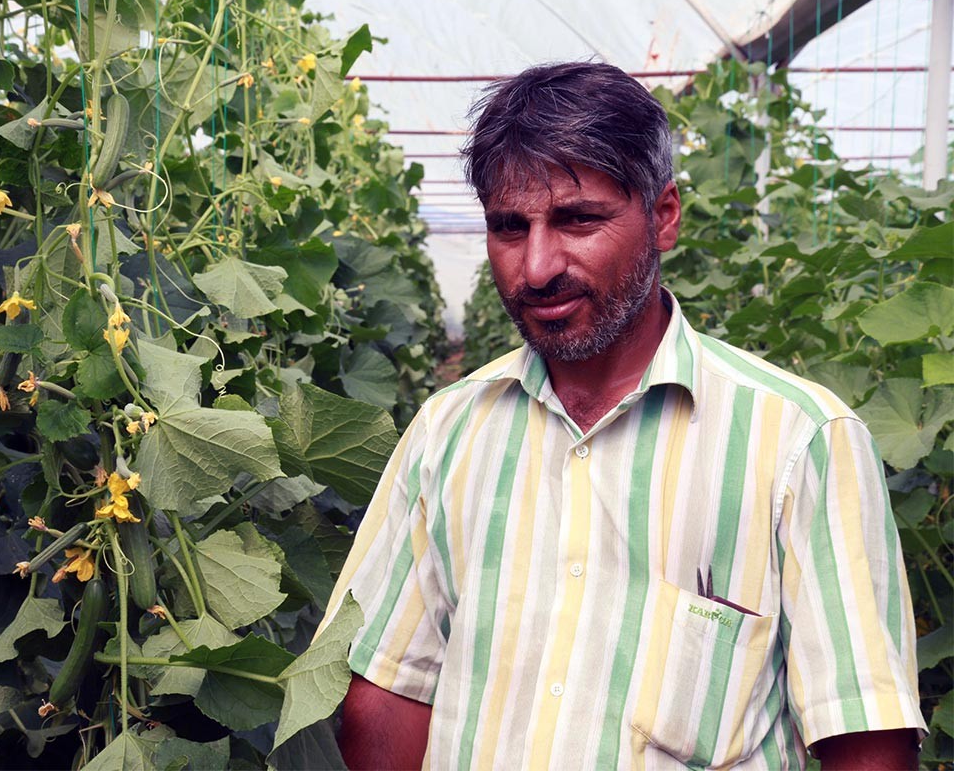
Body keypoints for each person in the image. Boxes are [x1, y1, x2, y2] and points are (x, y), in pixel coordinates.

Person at [323, 62, 925, 770]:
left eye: (578, 219)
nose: (538, 265)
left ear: (663, 216)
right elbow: (386, 694)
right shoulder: (448, 432)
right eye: (509, 228)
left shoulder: (799, 441)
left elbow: (866, 744)